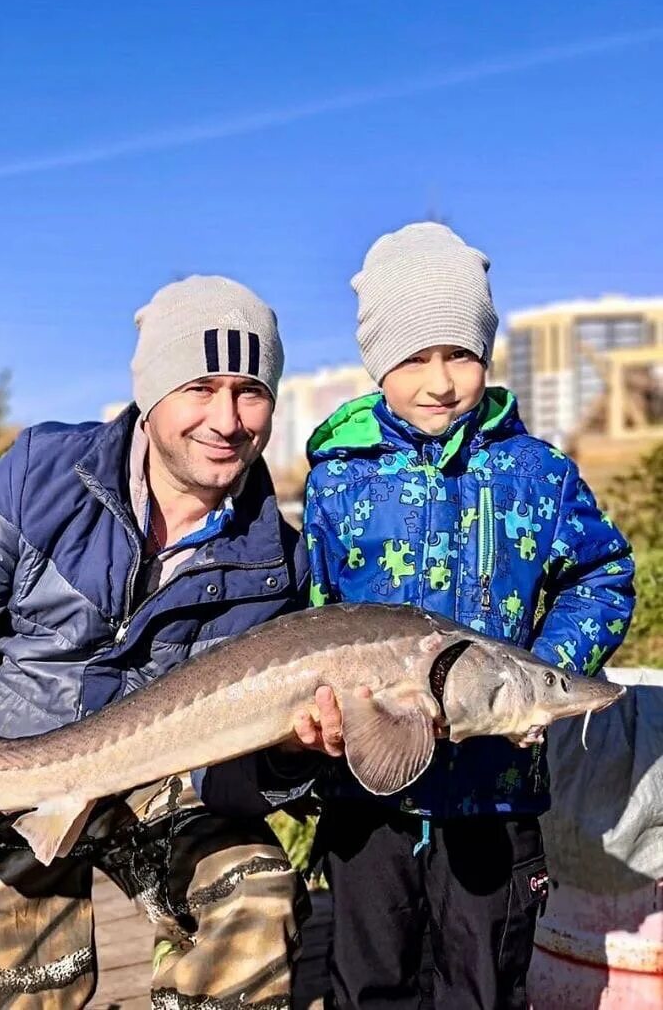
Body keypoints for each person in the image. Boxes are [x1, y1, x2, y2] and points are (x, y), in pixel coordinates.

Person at [0, 274, 342, 1009]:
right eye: (201, 386)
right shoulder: (39, 476)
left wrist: (290, 753)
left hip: (160, 783)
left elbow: (245, 758)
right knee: (13, 984)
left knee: (254, 894)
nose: (228, 419)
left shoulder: (277, 561)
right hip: (6, 761)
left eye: (250, 390)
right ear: (152, 391)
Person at [301, 221, 636, 1009]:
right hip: (367, 799)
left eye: (460, 353)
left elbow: (604, 575)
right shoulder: (337, 480)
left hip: (497, 793)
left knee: (482, 988)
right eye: (414, 356)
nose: (441, 379)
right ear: (378, 362)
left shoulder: (538, 472)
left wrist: (538, 674)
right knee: (366, 984)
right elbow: (312, 611)